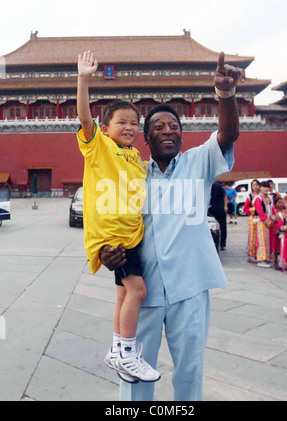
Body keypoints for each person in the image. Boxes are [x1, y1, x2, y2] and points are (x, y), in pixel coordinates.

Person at [100, 52, 245, 401]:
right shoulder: (130, 174)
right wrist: (105, 251)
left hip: (190, 288)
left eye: (174, 127)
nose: (169, 131)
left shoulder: (198, 162)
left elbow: (228, 133)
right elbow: (107, 222)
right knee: (135, 372)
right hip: (144, 289)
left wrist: (225, 94)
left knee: (190, 370)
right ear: (145, 139)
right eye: (159, 127)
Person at [76, 50, 160, 383]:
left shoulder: (135, 156)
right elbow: (85, 118)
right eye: (120, 122)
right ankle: (127, 353)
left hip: (132, 234)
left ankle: (116, 350)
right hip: (114, 238)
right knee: (138, 291)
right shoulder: (100, 147)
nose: (128, 127)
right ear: (106, 128)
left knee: (125, 294)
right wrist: (84, 79)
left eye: (133, 124)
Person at [253, 181, 275, 268]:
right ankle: (261, 259)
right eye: (264, 187)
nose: (266, 189)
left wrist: (273, 218)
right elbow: (260, 212)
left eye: (267, 187)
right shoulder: (258, 198)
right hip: (262, 222)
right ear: (260, 188)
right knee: (262, 241)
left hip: (269, 221)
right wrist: (267, 221)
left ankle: (267, 258)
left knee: (268, 241)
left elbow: (272, 209)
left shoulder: (269, 198)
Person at [243, 179, 261, 263]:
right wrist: (253, 210)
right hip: (253, 218)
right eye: (254, 185)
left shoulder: (262, 195)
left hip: (261, 219)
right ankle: (253, 254)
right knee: (253, 236)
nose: (256, 187)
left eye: (257, 185)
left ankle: (260, 253)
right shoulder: (250, 196)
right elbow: (245, 208)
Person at [209, 182, 227, 251]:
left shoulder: (217, 186)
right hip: (211, 208)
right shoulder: (205, 185)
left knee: (222, 226)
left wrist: (225, 206)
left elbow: (225, 196)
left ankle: (222, 244)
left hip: (220, 208)